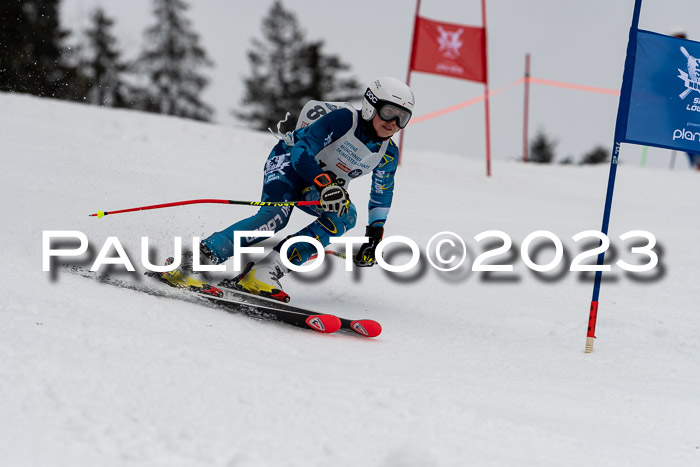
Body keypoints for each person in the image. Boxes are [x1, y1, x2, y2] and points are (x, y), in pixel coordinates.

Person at [166, 76, 415, 302]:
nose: (393, 123)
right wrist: (326, 184)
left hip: (322, 183)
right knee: (275, 218)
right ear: (371, 105)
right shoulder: (344, 120)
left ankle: (265, 271)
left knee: (344, 217)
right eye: (388, 112)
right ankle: (193, 262)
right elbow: (301, 152)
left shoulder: (388, 153)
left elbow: (381, 194)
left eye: (402, 117)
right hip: (290, 163)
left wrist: (374, 236)